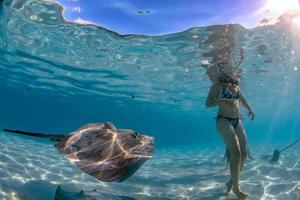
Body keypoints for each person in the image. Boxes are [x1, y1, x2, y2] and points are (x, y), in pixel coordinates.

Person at [205, 75, 254, 199]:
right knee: (236, 153)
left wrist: (250, 109)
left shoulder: (236, 86)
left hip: (237, 120)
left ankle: (231, 182)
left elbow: (243, 100)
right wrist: (222, 100)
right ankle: (236, 189)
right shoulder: (217, 86)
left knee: (244, 154)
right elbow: (208, 103)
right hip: (223, 120)